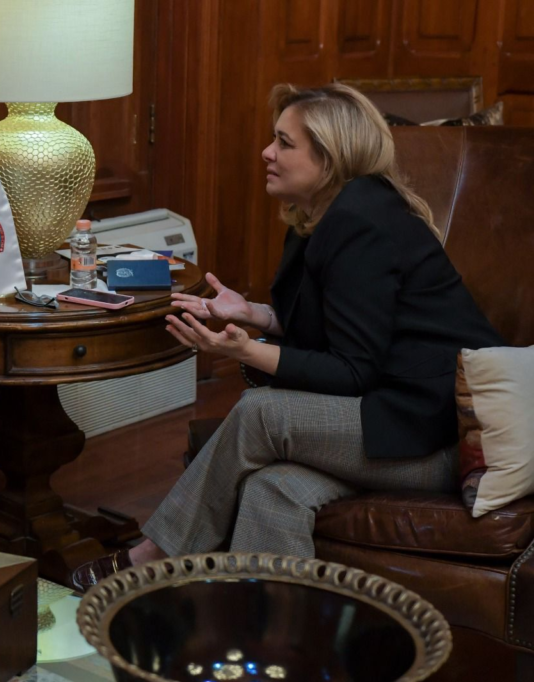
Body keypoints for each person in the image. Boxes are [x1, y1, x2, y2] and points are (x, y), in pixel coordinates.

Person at [72, 83, 504, 591]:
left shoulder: (362, 221)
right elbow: (343, 331)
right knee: (273, 489)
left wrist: (246, 349)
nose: (266, 152)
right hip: (390, 417)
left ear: (329, 157)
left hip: (436, 437)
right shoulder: (322, 217)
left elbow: (353, 370)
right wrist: (255, 315)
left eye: (284, 142)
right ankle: (268, 632)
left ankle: (155, 557)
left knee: (259, 412)